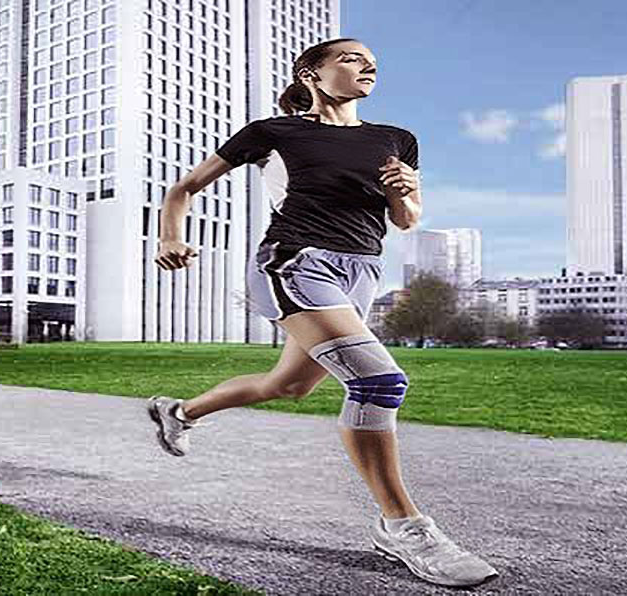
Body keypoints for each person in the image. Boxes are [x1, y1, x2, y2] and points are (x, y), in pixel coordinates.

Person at [144, 38, 499, 589]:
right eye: (352, 58)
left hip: (361, 271)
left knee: (287, 386)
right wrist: (171, 236)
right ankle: (402, 525)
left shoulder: (396, 139)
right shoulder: (274, 132)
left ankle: (180, 412)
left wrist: (407, 193)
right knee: (379, 382)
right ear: (311, 72)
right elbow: (184, 188)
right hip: (295, 261)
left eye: (373, 62)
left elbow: (404, 220)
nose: (369, 66)